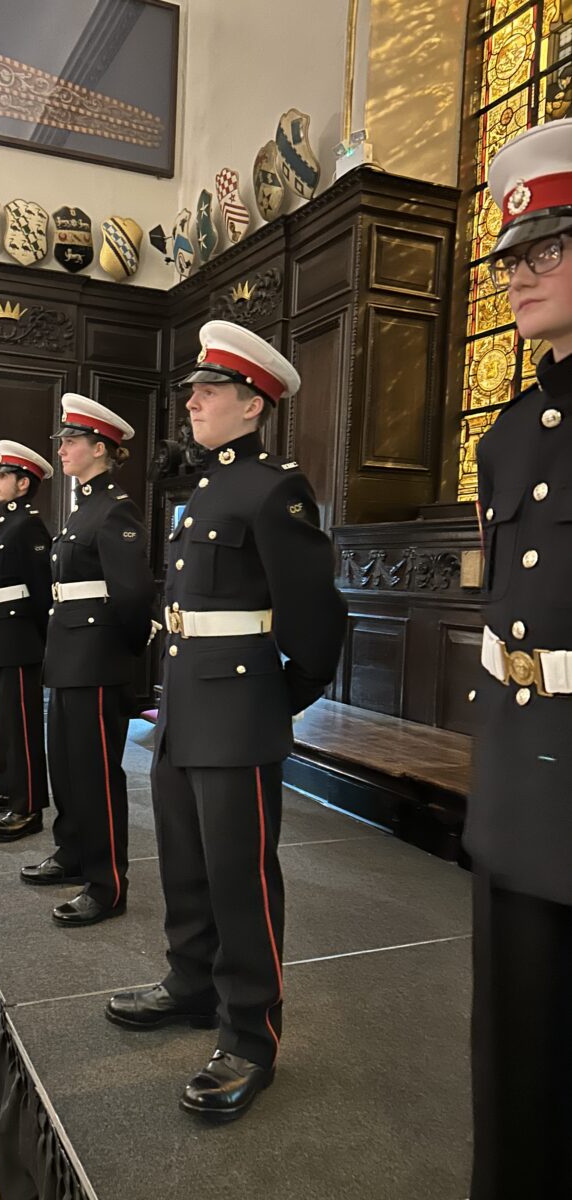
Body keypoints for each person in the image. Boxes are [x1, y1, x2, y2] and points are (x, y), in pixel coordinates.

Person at [106, 321, 347, 1122]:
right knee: (183, 859)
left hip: (239, 708)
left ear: (252, 403)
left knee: (241, 878)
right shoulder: (207, 488)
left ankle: (250, 1033)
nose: (194, 402)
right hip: (185, 702)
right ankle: (190, 981)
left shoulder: (276, 488)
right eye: (193, 391)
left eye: (210, 391)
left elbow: (315, 613)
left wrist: (286, 696)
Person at [463, 119, 572, 1199]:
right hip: (517, 767)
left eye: (546, 248)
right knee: (513, 1047)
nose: (516, 276)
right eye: (510, 256)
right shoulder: (513, 433)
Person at [21, 396, 154, 926]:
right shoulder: (82, 508)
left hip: (97, 659)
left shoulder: (116, 507)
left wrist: (120, 654)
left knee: (98, 774)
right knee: (68, 766)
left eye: (72, 441)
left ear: (101, 449)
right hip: (70, 655)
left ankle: (106, 882)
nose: (63, 448)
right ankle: (72, 851)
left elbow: (133, 594)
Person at [0, 440, 53, 841]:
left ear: (23, 483)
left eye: (2, 476)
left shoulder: (29, 525)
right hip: (0, 627)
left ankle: (28, 804)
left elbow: (41, 591)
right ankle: (6, 787)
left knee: (21, 724)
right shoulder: (6, 522)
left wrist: (39, 637)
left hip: (20, 633)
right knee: (3, 721)